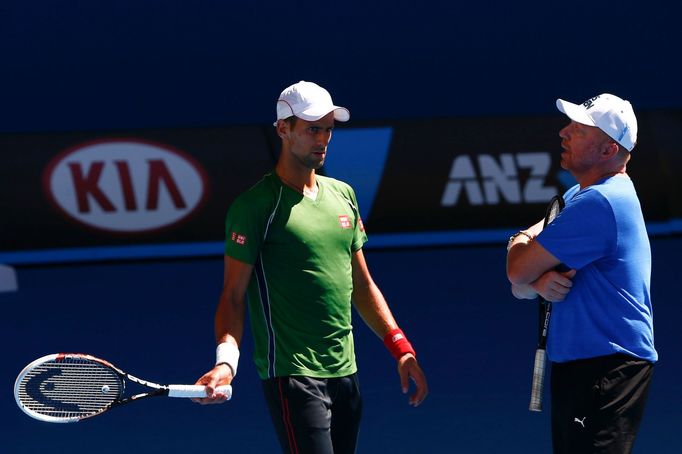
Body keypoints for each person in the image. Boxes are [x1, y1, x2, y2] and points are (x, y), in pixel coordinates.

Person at [193, 80, 428, 453]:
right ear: (283, 129)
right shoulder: (254, 207)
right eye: (312, 129)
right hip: (293, 376)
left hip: (346, 373)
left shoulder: (343, 195)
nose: (323, 139)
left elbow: (362, 285)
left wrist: (400, 348)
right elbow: (233, 295)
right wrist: (226, 363)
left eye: (328, 129)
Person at [506, 93, 657, 453]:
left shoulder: (598, 202)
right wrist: (536, 280)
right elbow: (524, 278)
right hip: (584, 367)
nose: (564, 133)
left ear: (607, 150)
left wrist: (521, 253)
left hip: (606, 370)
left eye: (579, 129)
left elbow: (517, 268)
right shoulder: (580, 194)